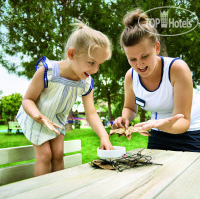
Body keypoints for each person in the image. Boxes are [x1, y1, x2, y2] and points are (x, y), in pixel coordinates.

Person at [16, 20, 113, 177]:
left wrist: (104, 136)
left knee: (58, 154)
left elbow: (92, 113)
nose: (95, 70)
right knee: (45, 155)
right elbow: (27, 100)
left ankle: (58, 193)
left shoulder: (85, 81)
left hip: (57, 120)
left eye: (99, 64)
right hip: (35, 117)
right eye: (91, 63)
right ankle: (39, 195)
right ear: (71, 54)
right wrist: (39, 117)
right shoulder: (47, 71)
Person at [113, 9, 200, 152]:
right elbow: (129, 108)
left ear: (157, 48)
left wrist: (158, 124)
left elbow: (183, 121)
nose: (139, 64)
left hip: (191, 133)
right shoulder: (130, 77)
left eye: (145, 56)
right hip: (157, 133)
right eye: (132, 59)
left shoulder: (177, 69)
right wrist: (125, 118)